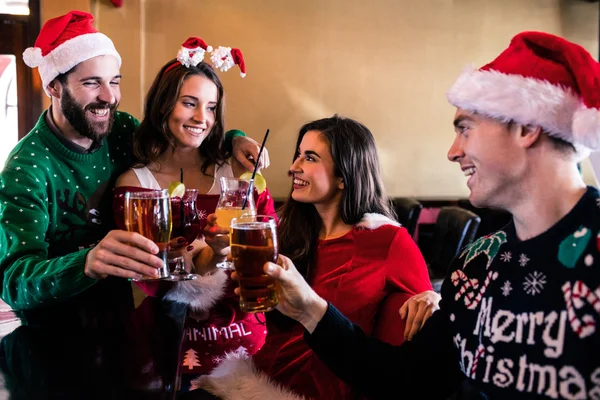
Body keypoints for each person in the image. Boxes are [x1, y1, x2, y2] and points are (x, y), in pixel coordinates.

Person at [229, 32, 600, 399]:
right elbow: (409, 379)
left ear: (527, 128)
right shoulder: (477, 263)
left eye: (465, 129)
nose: (453, 152)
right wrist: (310, 309)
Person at [0, 11, 268, 326]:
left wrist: (233, 141)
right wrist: (86, 262)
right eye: (91, 83)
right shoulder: (26, 168)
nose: (109, 96)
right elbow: (13, 282)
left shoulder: (121, 129)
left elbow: (180, 143)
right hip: (52, 331)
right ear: (54, 87)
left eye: (114, 81)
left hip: (121, 320)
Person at [199, 115, 439, 400]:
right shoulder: (287, 233)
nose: (293, 167)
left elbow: (424, 319)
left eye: (309, 158)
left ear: (343, 176)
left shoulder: (386, 240)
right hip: (258, 379)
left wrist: (433, 297)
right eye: (298, 155)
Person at [113, 37, 277, 390]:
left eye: (212, 107)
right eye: (190, 104)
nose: (202, 118)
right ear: (162, 106)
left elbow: (269, 250)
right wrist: (209, 257)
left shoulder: (238, 175)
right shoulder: (134, 185)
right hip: (167, 352)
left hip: (246, 346)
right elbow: (149, 278)